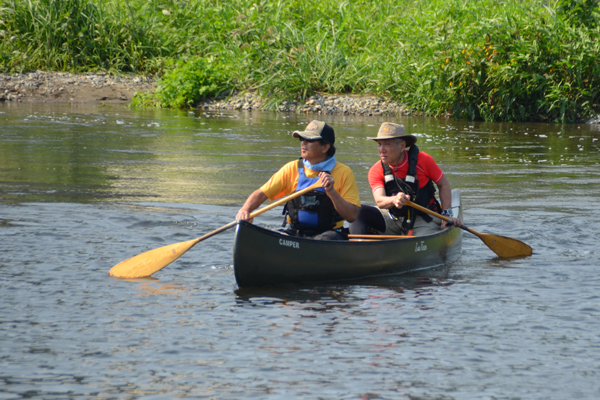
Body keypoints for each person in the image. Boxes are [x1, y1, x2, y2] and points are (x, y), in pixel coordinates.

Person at [236, 120, 360, 240]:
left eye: (309, 140)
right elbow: (262, 193)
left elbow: (352, 216)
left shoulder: (344, 173)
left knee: (328, 238)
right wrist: (245, 210)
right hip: (295, 233)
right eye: (302, 139)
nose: (303, 143)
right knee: (275, 237)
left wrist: (332, 192)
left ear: (325, 147)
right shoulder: (292, 168)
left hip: (329, 235)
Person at [350, 122, 462, 236]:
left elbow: (443, 184)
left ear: (402, 146)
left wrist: (446, 215)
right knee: (358, 211)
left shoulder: (423, 160)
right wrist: (394, 200)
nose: (382, 150)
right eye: (379, 144)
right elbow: (379, 200)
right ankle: (357, 248)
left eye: (387, 144)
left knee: (421, 239)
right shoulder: (376, 170)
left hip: (424, 218)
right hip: (392, 217)